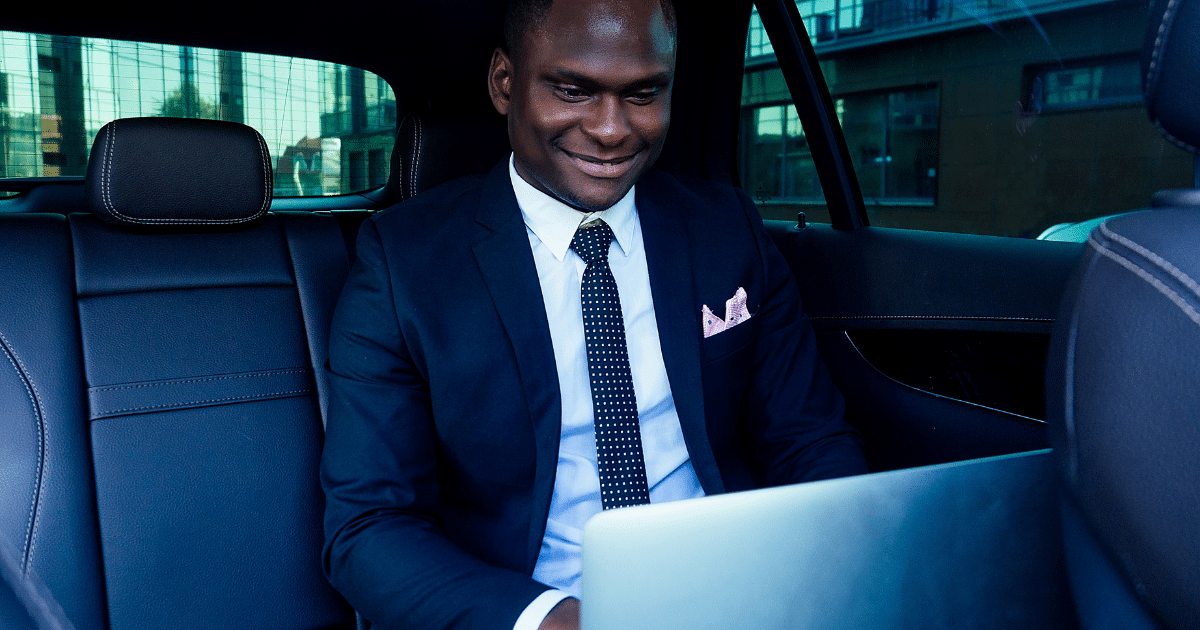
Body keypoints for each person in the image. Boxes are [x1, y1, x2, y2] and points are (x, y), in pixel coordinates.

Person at [319, 0, 868, 628]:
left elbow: (811, 440)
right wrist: (553, 620)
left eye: (642, 94)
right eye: (574, 90)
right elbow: (368, 527)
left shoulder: (727, 229)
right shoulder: (404, 261)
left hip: (732, 593)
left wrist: (827, 564)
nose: (611, 130)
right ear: (505, 82)